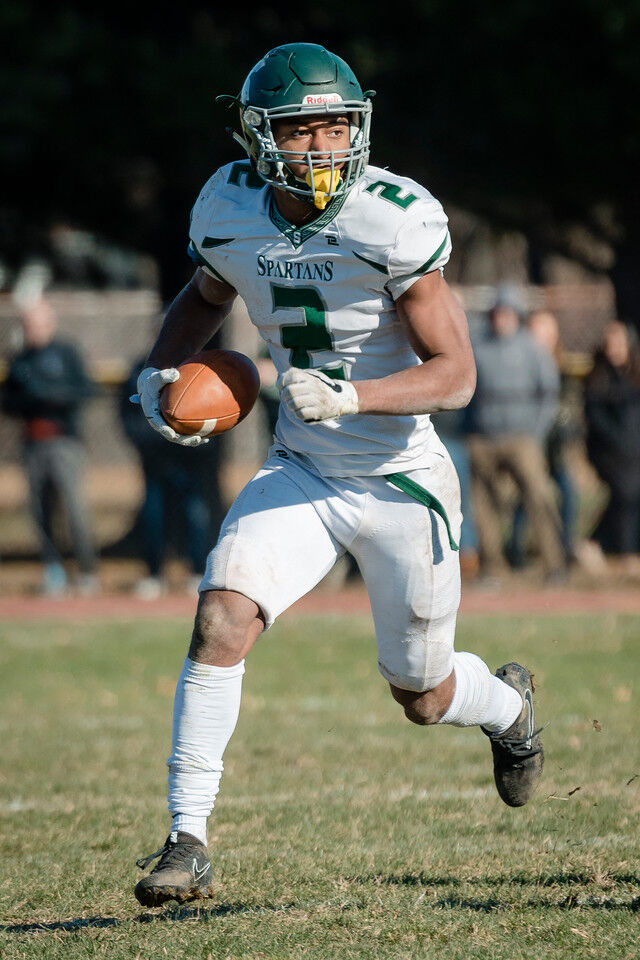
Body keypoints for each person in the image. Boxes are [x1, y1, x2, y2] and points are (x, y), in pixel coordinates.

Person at [131, 43, 544, 907]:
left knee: (423, 696)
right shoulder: (228, 206)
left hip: (402, 479)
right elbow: (206, 298)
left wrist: (353, 395)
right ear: (258, 137)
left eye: (333, 127)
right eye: (300, 129)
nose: (320, 147)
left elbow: (456, 374)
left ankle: (506, 709)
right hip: (303, 469)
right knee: (220, 618)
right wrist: (160, 373)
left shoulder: (393, 217)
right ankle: (186, 840)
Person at [468, 289, 565, 585]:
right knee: (482, 506)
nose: (501, 319)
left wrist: (536, 432)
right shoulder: (478, 346)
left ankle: (554, 565)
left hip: (522, 437)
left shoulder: (532, 349)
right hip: (484, 437)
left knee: (539, 497)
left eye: (507, 313)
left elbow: (549, 393)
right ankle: (492, 569)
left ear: (517, 316)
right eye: (497, 313)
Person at [2, 298, 97, 595]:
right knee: (40, 510)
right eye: (27, 324)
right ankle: (53, 569)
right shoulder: (20, 360)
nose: (32, 329)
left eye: (36, 322)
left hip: (64, 441)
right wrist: (29, 400)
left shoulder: (66, 353)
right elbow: (9, 401)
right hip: (33, 442)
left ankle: (86, 570)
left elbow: (84, 389)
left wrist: (50, 396)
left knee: (73, 507)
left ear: (49, 323)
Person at [119, 357, 224, 597]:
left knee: (195, 513)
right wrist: (155, 440)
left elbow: (215, 412)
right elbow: (128, 413)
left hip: (190, 458)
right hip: (156, 459)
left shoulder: (198, 370)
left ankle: (198, 570)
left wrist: (198, 442)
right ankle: (154, 573)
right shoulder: (141, 369)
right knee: (153, 514)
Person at [507, 310, 579, 568]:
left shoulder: (564, 367)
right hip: (527, 445)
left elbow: (570, 408)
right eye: (538, 333)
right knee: (526, 499)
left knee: (568, 494)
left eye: (548, 334)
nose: (543, 339)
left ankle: (566, 547)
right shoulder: (518, 365)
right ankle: (515, 552)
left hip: (554, 449)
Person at [584, 321, 640, 567]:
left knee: (629, 494)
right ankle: (626, 554)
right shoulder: (598, 379)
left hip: (633, 451)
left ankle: (596, 544)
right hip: (607, 451)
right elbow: (596, 420)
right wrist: (620, 442)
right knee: (626, 491)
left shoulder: (634, 377)